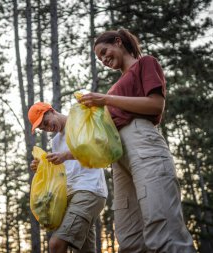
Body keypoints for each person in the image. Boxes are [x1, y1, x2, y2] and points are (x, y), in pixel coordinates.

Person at [78, 29, 195, 253]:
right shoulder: (115, 87)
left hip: (143, 141)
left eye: (104, 52)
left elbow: (155, 105)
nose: (103, 60)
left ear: (119, 42)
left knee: (161, 222)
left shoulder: (145, 64)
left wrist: (105, 99)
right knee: (129, 233)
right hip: (119, 156)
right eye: (99, 58)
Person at [28, 102, 108, 253]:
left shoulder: (79, 121)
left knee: (56, 244)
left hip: (89, 190)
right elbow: (63, 171)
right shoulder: (56, 141)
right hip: (70, 196)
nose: (47, 128)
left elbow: (98, 150)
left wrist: (65, 155)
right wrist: (43, 167)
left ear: (52, 110)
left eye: (46, 122)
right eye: (43, 128)